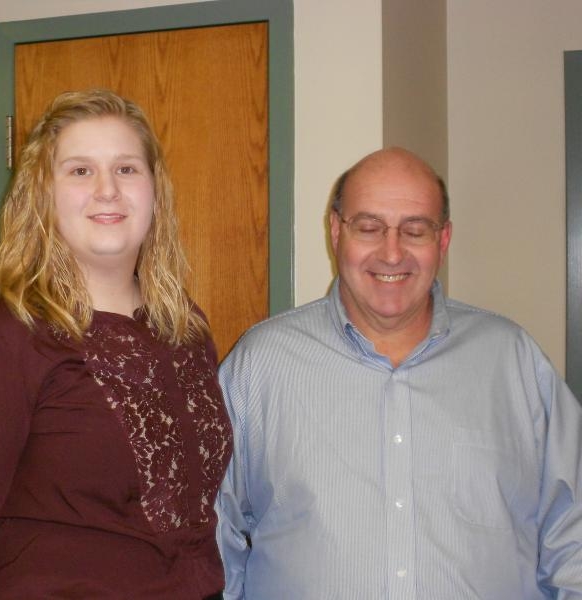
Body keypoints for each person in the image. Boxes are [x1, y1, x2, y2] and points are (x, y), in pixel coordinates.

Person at [0, 89, 232, 599]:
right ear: (41, 195)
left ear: (155, 190)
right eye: (79, 171)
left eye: (126, 169)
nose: (107, 190)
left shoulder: (184, 326)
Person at [216, 147, 582, 599]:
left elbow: (574, 532)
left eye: (415, 230)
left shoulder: (513, 362)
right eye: (369, 227)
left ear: (443, 240)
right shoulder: (260, 365)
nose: (392, 253)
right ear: (336, 232)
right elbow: (211, 532)